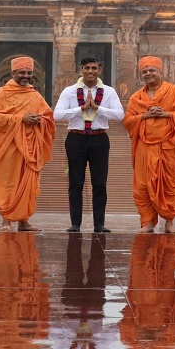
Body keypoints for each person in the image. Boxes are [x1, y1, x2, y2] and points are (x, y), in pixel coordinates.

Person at [52, 57, 124, 233]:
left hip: (99, 138)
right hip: (76, 138)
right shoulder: (69, 92)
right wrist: (81, 108)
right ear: (81, 70)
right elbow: (57, 115)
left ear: (99, 70)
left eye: (94, 68)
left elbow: (119, 115)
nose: (90, 71)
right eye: (87, 68)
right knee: (76, 182)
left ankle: (99, 223)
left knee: (99, 183)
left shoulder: (108, 92)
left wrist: (97, 108)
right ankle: (75, 223)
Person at [0, 56, 55, 232]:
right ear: (13, 73)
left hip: (30, 148)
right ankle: (6, 221)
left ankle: (24, 220)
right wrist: (20, 118)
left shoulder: (35, 95)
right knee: (8, 182)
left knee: (29, 185)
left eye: (29, 73)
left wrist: (40, 120)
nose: (26, 76)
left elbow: (48, 116)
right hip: (9, 146)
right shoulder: (2, 93)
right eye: (22, 72)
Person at [123, 56, 175, 234]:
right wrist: (145, 115)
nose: (148, 74)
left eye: (152, 70)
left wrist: (166, 114)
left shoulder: (173, 91)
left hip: (167, 145)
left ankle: (169, 222)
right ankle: (147, 222)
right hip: (144, 147)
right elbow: (128, 121)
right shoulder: (137, 97)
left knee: (168, 183)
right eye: (144, 71)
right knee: (142, 185)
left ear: (161, 72)